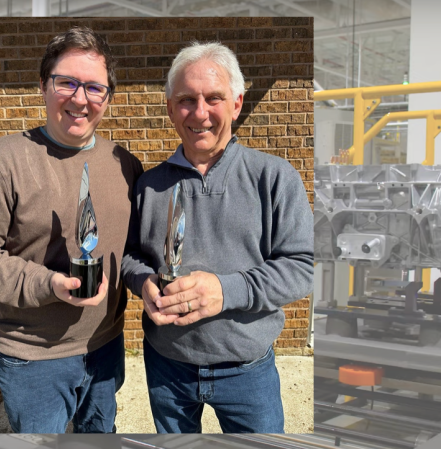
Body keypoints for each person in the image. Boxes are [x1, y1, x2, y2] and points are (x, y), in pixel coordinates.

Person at [121, 41, 314, 433]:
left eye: (214, 98)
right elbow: (128, 257)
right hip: (167, 367)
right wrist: (144, 283)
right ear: (171, 107)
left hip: (247, 371)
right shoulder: (149, 185)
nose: (200, 113)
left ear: (237, 103)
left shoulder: (274, 178)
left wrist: (227, 291)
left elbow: (303, 265)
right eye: (187, 100)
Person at [0, 26, 143, 433]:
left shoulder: (124, 164)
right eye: (67, 83)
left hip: (105, 343)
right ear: (43, 86)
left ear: (107, 98)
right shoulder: (2, 161)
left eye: (94, 88)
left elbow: (131, 250)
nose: (80, 99)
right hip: (34, 356)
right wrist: (50, 284)